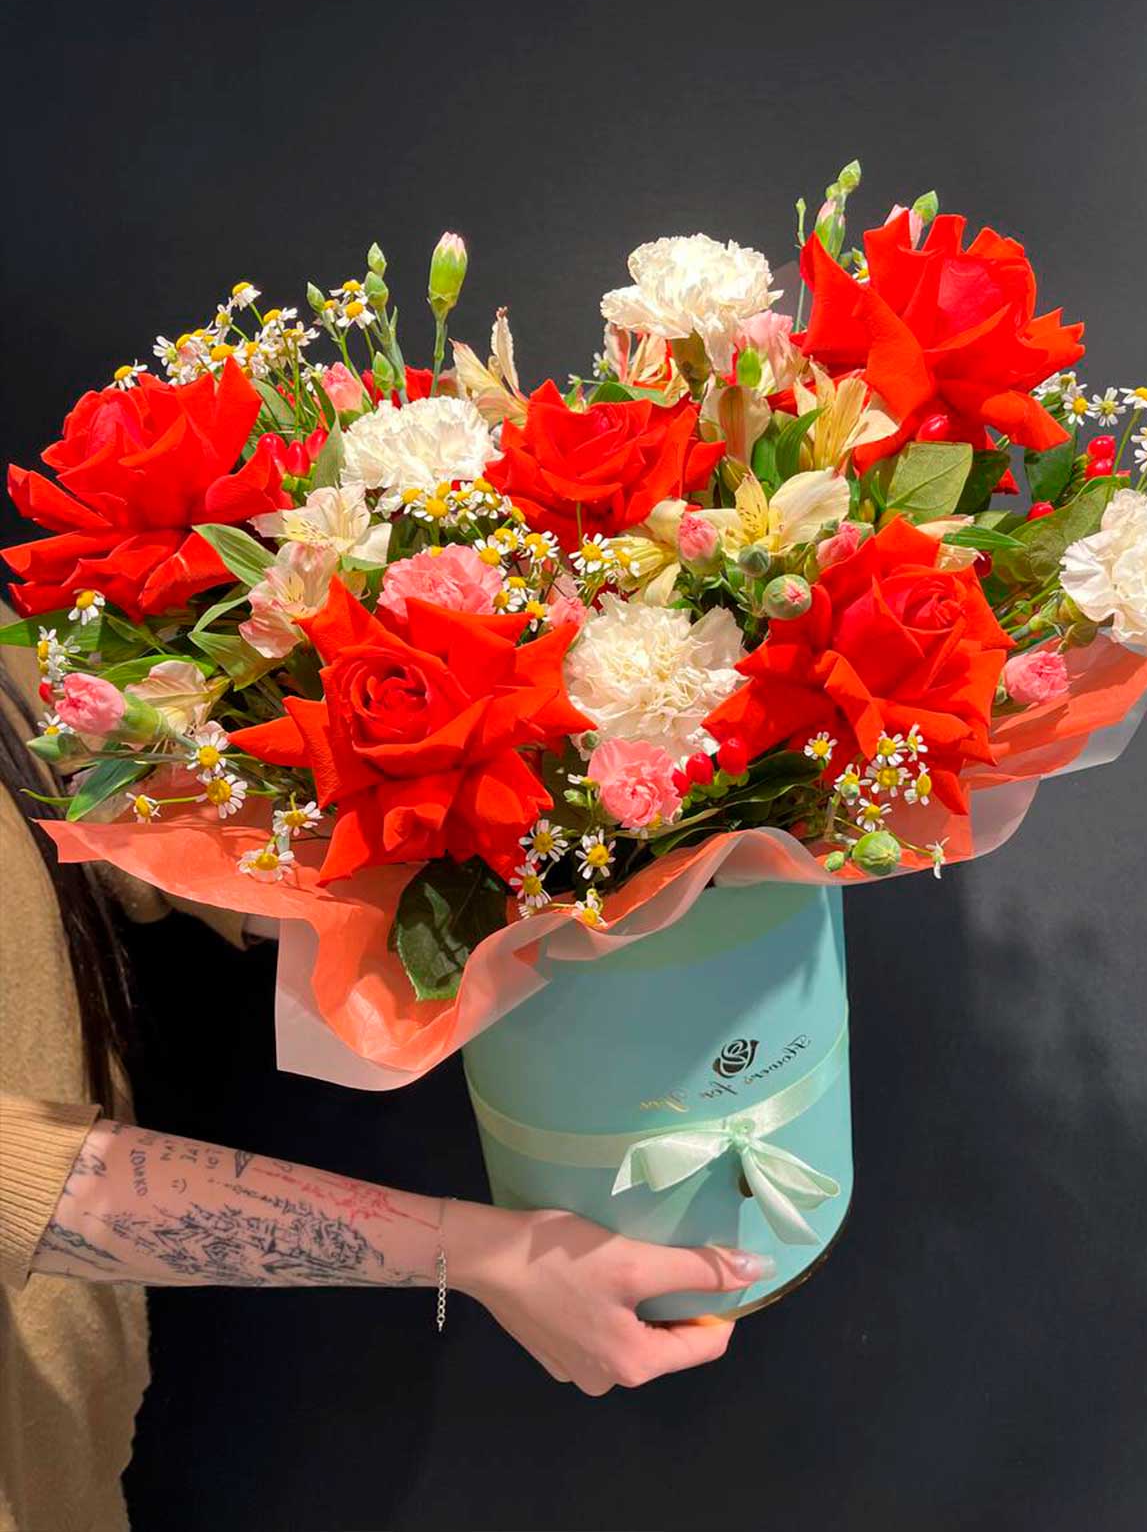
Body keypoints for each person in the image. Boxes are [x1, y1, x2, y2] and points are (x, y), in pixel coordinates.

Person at [0, 643, 765, 1532]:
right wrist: (486, 1256)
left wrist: (464, 846)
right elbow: (18, 1172)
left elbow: (97, 788)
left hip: (75, 1430)